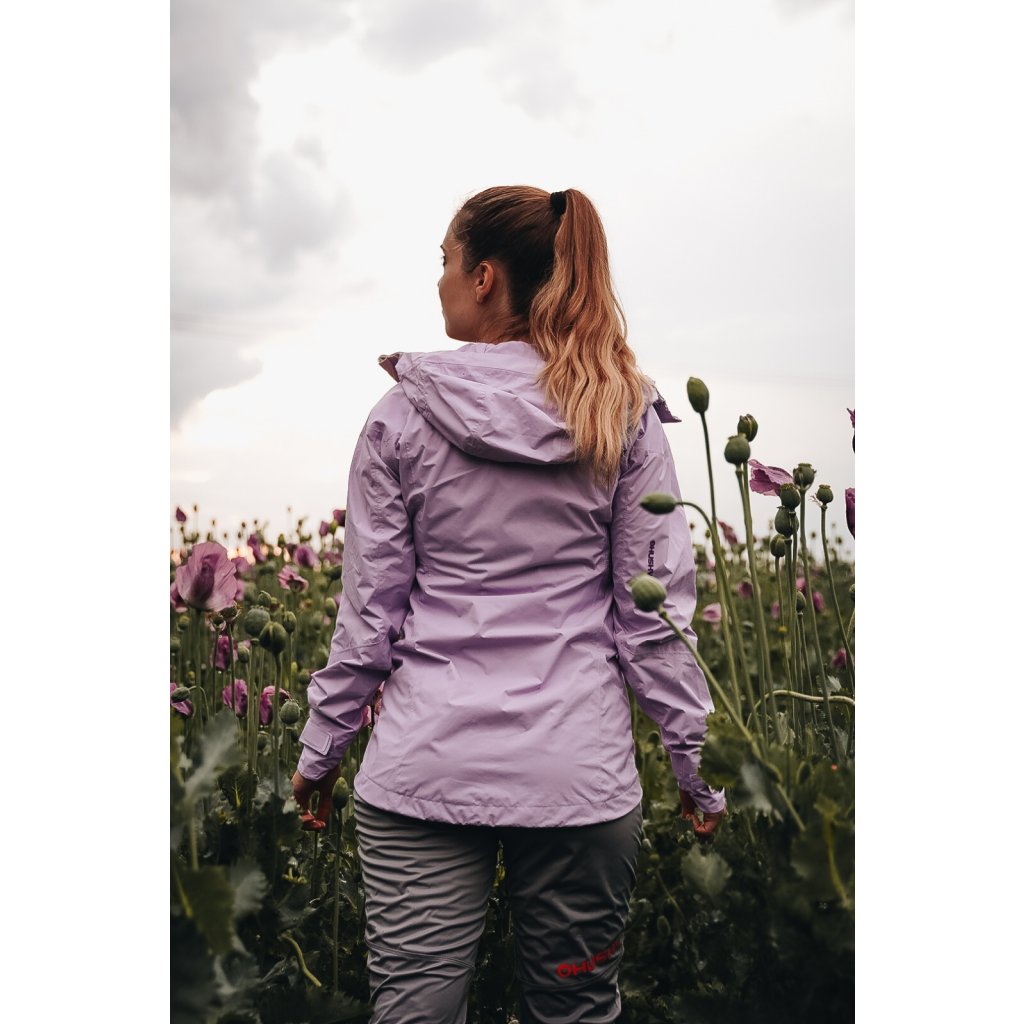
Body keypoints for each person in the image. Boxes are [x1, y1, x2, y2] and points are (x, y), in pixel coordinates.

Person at [292, 186, 726, 1024]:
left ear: (485, 276)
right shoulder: (621, 413)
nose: (441, 281)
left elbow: (370, 619)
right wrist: (693, 766)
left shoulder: (400, 418)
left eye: (446, 262)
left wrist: (323, 746)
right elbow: (654, 619)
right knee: (575, 1009)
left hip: (423, 774)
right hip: (578, 780)